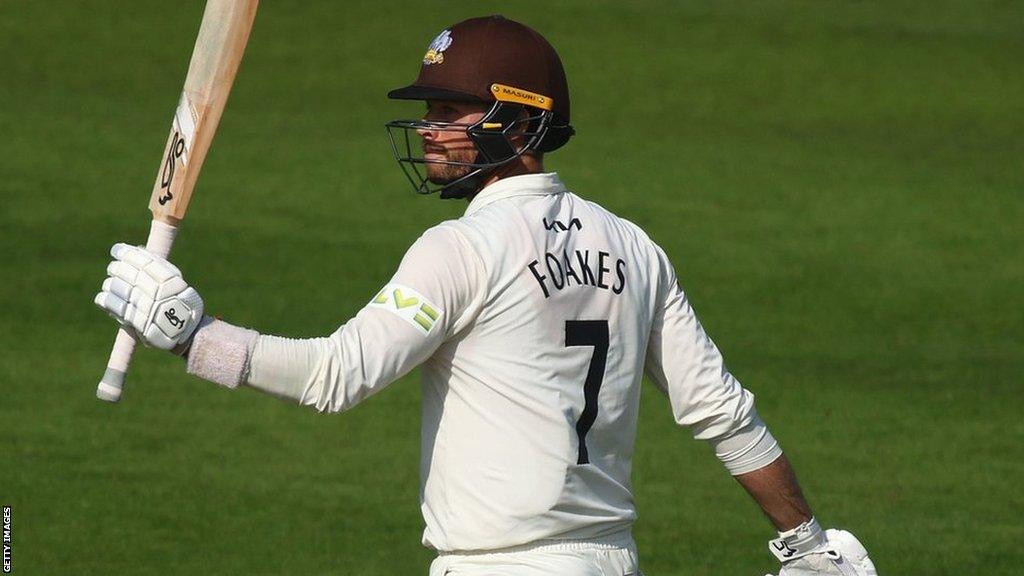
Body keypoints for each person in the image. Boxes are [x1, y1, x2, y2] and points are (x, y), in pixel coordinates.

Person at [95, 15, 878, 576]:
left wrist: (190, 334)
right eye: (428, 113)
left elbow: (336, 378)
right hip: (610, 561)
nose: (430, 131)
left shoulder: (463, 247)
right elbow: (724, 413)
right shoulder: (634, 248)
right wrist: (808, 544)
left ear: (521, 123)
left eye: (450, 112)